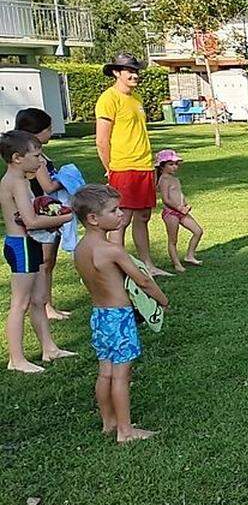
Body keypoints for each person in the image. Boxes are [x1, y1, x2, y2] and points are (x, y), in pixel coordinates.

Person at [72, 184, 169, 443]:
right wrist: (162, 300)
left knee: (105, 371)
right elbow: (143, 281)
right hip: (119, 317)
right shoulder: (112, 250)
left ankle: (109, 422)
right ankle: (125, 431)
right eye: (114, 210)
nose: (121, 215)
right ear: (93, 218)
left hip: (99, 316)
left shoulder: (81, 249)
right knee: (121, 375)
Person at [1, 131, 76, 373]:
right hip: (20, 245)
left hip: (30, 243)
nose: (41, 161)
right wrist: (68, 216)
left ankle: (49, 348)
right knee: (20, 303)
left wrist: (53, 213)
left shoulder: (21, 180)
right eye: (36, 156)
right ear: (17, 158)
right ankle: (16, 359)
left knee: (39, 300)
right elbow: (31, 221)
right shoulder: (17, 183)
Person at [95, 53, 169, 276]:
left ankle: (147, 265)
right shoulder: (108, 99)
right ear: (117, 72)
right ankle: (115, 267)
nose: (134, 75)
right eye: (129, 70)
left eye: (136, 71)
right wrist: (110, 167)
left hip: (144, 166)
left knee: (143, 217)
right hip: (123, 167)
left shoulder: (136, 100)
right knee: (121, 218)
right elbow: (101, 139)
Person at [14, 108, 70, 319]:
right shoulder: (35, 158)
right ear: (36, 132)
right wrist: (67, 178)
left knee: (49, 261)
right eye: (48, 129)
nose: (51, 132)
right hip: (42, 213)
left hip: (46, 212)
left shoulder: (37, 155)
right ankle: (45, 306)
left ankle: (48, 304)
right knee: (45, 262)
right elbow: (48, 185)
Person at [155, 149, 204, 273]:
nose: (175, 167)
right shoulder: (164, 180)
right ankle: (177, 264)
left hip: (182, 211)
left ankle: (190, 255)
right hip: (171, 213)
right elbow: (166, 199)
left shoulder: (175, 179)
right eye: (171, 164)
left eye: (176, 164)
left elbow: (179, 193)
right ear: (162, 166)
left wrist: (186, 204)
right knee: (173, 240)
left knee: (198, 231)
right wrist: (178, 208)